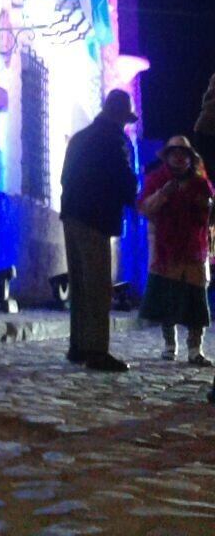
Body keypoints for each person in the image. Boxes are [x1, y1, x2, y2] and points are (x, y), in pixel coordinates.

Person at [60, 88, 138, 372]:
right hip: (96, 217)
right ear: (120, 115)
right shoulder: (114, 140)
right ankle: (96, 351)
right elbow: (124, 181)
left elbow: (64, 177)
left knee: (79, 285)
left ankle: (78, 345)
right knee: (96, 287)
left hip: (72, 213)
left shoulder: (80, 137)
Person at [138, 136, 213, 364]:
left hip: (194, 248)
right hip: (165, 250)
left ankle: (195, 348)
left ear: (190, 158)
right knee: (167, 299)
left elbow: (210, 216)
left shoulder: (201, 183)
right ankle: (169, 345)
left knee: (196, 301)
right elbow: (145, 208)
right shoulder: (156, 179)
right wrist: (163, 195)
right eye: (174, 153)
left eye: (184, 154)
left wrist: (206, 206)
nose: (179, 157)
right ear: (168, 156)